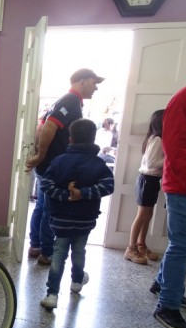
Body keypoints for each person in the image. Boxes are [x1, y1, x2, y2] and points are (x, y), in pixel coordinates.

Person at [25, 69, 105, 266]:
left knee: (42, 206)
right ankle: (46, 252)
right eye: (94, 83)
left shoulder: (68, 101)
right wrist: (40, 155)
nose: (96, 88)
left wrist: (40, 155)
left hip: (51, 165)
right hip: (53, 165)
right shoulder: (70, 101)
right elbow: (48, 127)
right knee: (49, 210)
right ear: (81, 81)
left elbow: (40, 126)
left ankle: (36, 245)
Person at [39, 118, 115, 309]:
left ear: (70, 139)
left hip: (60, 218)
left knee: (59, 254)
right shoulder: (98, 164)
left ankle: (52, 294)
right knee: (79, 251)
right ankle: (77, 281)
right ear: (93, 139)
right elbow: (108, 186)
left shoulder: (59, 161)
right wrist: (84, 194)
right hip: (85, 219)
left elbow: (46, 184)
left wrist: (65, 196)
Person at [149, 79, 186, 328]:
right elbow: (180, 152)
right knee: (183, 246)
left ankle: (163, 284)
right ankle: (167, 306)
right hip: (185, 186)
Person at [124, 110, 164, 265]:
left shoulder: (156, 138)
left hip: (152, 181)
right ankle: (131, 248)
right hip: (147, 180)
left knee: (148, 215)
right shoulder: (157, 139)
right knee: (142, 216)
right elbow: (153, 163)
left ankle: (141, 245)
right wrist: (169, 160)